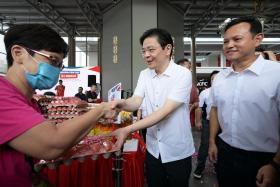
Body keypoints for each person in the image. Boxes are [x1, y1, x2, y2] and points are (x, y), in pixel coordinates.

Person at [0, 24, 115, 187]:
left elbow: (57, 144)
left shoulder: (30, 102)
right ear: (18, 54)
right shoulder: (2, 96)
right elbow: (52, 144)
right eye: (52, 60)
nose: (56, 71)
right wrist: (100, 110)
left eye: (59, 65)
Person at [110, 28, 195, 187]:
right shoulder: (144, 74)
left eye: (151, 50)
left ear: (167, 49)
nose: (146, 55)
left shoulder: (182, 74)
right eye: (143, 51)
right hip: (153, 149)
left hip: (176, 150)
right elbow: (136, 101)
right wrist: (120, 104)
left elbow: (164, 112)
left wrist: (127, 129)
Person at [208, 16, 280, 187]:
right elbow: (215, 109)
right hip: (225, 152)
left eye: (237, 39)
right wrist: (212, 141)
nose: (229, 45)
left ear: (258, 39)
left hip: (265, 158)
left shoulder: (276, 74)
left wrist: (276, 165)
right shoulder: (220, 77)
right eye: (225, 41)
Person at [193, 70, 219, 179]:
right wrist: (198, 121)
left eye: (218, 78)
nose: (215, 80)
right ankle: (199, 169)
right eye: (213, 79)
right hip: (208, 122)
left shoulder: (228, 91)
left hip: (224, 124)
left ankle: (219, 168)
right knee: (205, 145)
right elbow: (199, 108)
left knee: (222, 146)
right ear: (211, 80)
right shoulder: (205, 92)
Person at [176, 58, 199, 127]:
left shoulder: (192, 86)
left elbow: (197, 102)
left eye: (190, 69)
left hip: (187, 119)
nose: (190, 71)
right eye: (187, 68)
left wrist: (193, 105)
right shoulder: (170, 84)